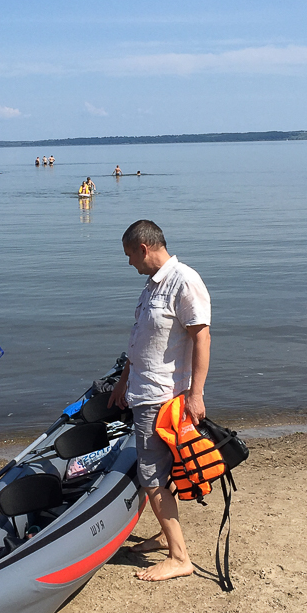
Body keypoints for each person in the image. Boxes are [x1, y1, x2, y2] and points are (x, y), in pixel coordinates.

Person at [108, 219, 211, 582]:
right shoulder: (152, 287)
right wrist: (123, 382)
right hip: (141, 391)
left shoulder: (184, 280)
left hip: (163, 398)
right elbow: (141, 340)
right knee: (160, 473)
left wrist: (196, 395)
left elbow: (202, 337)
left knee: (152, 477)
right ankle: (165, 538)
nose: (130, 264)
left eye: (129, 256)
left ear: (144, 249)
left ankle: (180, 557)